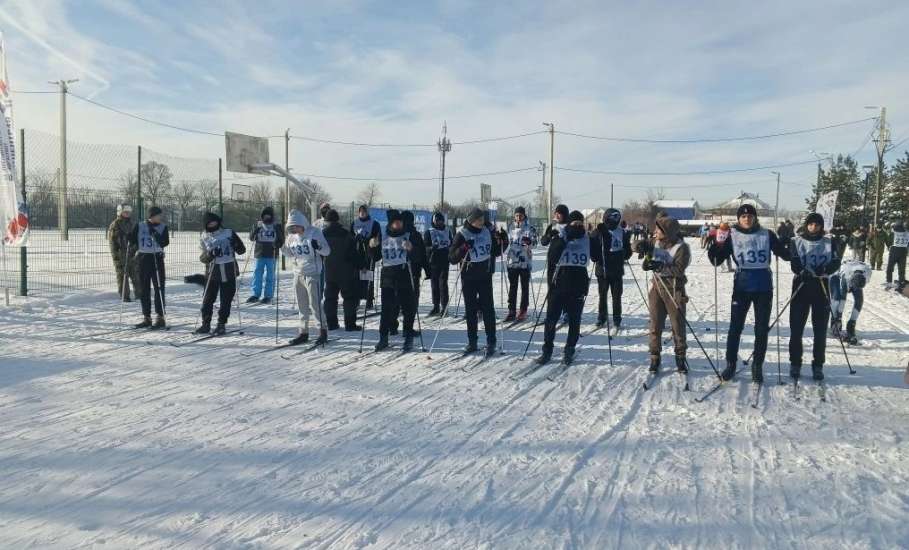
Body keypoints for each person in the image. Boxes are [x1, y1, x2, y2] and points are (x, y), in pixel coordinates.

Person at [708, 204, 790, 383]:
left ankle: (757, 365)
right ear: (739, 219)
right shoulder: (732, 235)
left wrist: (788, 243)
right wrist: (716, 245)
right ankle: (731, 364)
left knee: (761, 329)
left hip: (763, 287)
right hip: (742, 287)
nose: (747, 219)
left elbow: (784, 254)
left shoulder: (766, 234)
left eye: (750, 216)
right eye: (743, 217)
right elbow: (717, 259)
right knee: (735, 327)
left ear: (755, 218)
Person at [536, 210, 596, 365]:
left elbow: (596, 256)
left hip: (578, 283)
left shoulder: (587, 238)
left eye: (579, 223)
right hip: (559, 282)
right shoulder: (561, 235)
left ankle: (569, 349)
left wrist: (602, 237)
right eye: (573, 223)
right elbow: (552, 257)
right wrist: (564, 238)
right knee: (551, 319)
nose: (576, 226)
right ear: (569, 224)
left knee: (575, 321)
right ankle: (547, 350)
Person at [634, 214, 691, 374]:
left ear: (668, 231)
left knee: (677, 326)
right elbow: (635, 244)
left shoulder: (681, 247)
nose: (655, 231)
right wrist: (639, 246)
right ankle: (654, 357)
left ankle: (680, 358)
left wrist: (659, 266)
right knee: (655, 324)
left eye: (659, 229)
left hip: (674, 290)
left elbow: (679, 270)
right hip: (657, 289)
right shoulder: (655, 242)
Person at [788, 212, 840, 381]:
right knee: (796, 330)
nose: (813, 227)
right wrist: (802, 271)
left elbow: (835, 262)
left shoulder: (830, 241)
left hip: (821, 288)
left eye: (817, 224)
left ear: (821, 226)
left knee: (820, 331)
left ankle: (818, 365)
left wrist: (823, 270)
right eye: (810, 224)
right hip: (801, 287)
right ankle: (795, 362)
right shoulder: (796, 241)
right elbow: (794, 262)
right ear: (806, 225)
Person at [449, 208, 502, 356]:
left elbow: (496, 251)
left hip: (484, 276)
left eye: (482, 219)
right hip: (469, 277)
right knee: (471, 311)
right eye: (478, 219)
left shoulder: (487, 231)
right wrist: (464, 247)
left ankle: (491, 341)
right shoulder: (462, 234)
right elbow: (452, 258)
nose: (481, 222)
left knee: (488, 310)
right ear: (472, 220)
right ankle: (472, 342)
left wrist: (502, 239)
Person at [282, 209, 330, 345]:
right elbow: (290, 253)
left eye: (297, 226)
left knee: (315, 304)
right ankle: (303, 332)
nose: (295, 229)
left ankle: (322, 331)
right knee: (301, 304)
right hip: (298, 273)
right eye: (292, 227)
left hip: (313, 273)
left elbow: (327, 251)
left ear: (302, 223)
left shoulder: (314, 232)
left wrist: (318, 246)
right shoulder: (291, 237)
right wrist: (280, 246)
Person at [371, 209, 417, 351]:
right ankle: (383, 337)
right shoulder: (382, 235)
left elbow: (417, 256)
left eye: (400, 222)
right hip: (387, 275)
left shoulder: (408, 235)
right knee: (386, 309)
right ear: (391, 224)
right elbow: (376, 257)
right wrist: (372, 246)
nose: (399, 224)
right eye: (396, 222)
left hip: (403, 273)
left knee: (407, 307)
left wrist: (411, 249)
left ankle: (408, 336)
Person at [197, 212, 247, 335]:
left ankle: (221, 324)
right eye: (209, 223)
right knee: (208, 299)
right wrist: (210, 254)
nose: (213, 224)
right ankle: (205, 323)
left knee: (226, 299)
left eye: (214, 221)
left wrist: (235, 244)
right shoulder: (204, 236)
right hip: (213, 272)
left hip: (229, 269)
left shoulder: (229, 232)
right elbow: (202, 258)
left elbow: (242, 250)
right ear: (206, 224)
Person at [128, 206, 170, 329]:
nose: (160, 217)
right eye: (157, 215)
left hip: (157, 258)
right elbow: (133, 239)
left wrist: (155, 234)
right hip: (143, 258)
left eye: (160, 215)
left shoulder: (163, 227)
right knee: (143, 288)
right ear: (151, 216)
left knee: (159, 287)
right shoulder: (140, 226)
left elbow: (165, 242)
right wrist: (129, 238)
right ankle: (147, 317)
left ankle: (160, 317)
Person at [322, 209, 362, 332]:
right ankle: (350, 324)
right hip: (346, 271)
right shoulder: (346, 234)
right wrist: (360, 265)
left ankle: (331, 323)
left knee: (330, 297)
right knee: (349, 297)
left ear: (326, 220)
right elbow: (353, 253)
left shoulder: (323, 234)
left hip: (329, 270)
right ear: (338, 219)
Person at [591, 208, 632, 331]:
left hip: (617, 269)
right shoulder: (598, 231)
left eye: (617, 218)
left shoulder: (622, 232)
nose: (614, 221)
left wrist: (624, 253)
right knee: (603, 295)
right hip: (602, 269)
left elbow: (628, 252)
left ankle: (616, 318)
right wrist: (596, 255)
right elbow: (593, 251)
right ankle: (602, 317)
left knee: (617, 296)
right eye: (612, 218)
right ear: (606, 218)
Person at [503, 206, 537, 322]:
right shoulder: (510, 227)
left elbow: (535, 243)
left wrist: (530, 242)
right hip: (512, 261)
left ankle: (523, 309)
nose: (518, 217)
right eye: (516, 215)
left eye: (520, 215)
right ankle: (511, 310)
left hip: (524, 261)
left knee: (524, 286)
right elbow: (507, 241)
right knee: (513, 287)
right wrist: (502, 239)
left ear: (524, 215)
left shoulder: (529, 228)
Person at [246, 206, 285, 304]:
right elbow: (251, 237)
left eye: (268, 216)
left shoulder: (276, 226)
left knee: (270, 276)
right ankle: (255, 294)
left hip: (272, 254)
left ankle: (268, 296)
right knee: (257, 274)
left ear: (272, 216)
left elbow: (281, 239)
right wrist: (256, 229)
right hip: (260, 254)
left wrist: (278, 244)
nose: (266, 218)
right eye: (265, 216)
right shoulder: (258, 225)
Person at [830, 259, 872, 345]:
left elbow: (858, 299)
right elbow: (843, 298)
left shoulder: (868, 272)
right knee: (837, 299)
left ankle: (851, 323)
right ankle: (835, 320)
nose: (853, 288)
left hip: (855, 275)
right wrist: (838, 317)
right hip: (836, 277)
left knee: (859, 300)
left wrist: (852, 321)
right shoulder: (846, 273)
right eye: (853, 286)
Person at [351, 204, 381, 310]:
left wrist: (373, 243)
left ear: (367, 212)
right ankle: (356, 299)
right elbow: (350, 237)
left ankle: (369, 299)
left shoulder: (374, 223)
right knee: (356, 278)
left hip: (368, 253)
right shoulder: (354, 223)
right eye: (361, 211)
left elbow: (377, 238)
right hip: (357, 253)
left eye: (364, 211)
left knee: (367, 276)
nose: (362, 213)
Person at [108, 204, 140, 302]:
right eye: (125, 212)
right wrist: (115, 257)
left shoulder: (132, 224)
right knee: (123, 276)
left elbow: (136, 239)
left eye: (129, 212)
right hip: (120, 254)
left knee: (136, 274)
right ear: (120, 212)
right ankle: (125, 296)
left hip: (131, 254)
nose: (127, 214)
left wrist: (135, 249)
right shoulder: (115, 225)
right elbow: (112, 243)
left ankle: (140, 294)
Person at [424, 211, 452, 316]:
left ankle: (444, 307)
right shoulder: (429, 232)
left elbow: (452, 243)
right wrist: (431, 248)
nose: (439, 222)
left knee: (443, 284)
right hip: (433, 261)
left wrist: (450, 250)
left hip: (444, 260)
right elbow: (425, 247)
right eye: (437, 220)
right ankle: (436, 306)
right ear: (433, 221)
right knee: (434, 285)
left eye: (441, 220)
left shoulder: (447, 231)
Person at [885, 221, 907, 291]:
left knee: (889, 269)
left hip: (894, 251)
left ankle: (889, 283)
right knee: (901, 270)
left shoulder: (893, 233)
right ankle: (901, 285)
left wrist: (889, 246)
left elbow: (888, 242)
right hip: (903, 251)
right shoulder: (907, 233)